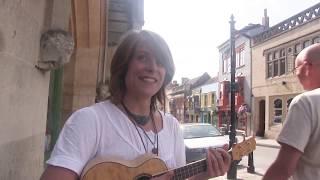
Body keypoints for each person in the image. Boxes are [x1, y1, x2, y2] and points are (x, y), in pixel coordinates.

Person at [41, 30, 231, 180]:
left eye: (160, 62)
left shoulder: (172, 126)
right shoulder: (90, 121)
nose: (152, 67)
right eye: (142, 57)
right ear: (123, 65)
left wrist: (203, 175)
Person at [263, 43, 320, 180]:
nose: (296, 75)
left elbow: (282, 170)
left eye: (296, 69)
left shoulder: (306, 102)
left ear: (307, 67)